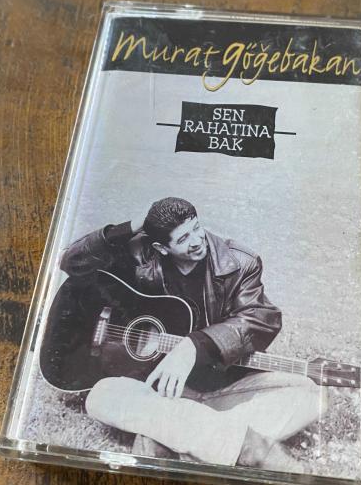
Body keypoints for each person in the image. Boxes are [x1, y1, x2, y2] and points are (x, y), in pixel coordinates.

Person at [57, 197, 324, 468]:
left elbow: (260, 319)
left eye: (196, 228)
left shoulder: (239, 261)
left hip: (224, 385)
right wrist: (130, 227)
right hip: (158, 389)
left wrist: (195, 345)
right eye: (183, 238)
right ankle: (245, 447)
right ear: (161, 248)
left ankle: (168, 436)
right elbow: (72, 262)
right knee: (102, 395)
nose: (197, 240)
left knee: (311, 394)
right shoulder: (141, 254)